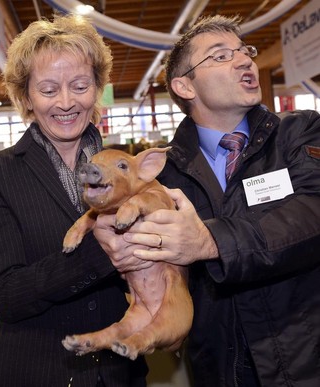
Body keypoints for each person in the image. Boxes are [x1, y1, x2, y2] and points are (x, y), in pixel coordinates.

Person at [93, 15, 320, 387]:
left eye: (244, 51)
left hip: (305, 357)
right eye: (220, 56)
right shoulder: (161, 175)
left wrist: (210, 241)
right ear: (185, 86)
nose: (245, 60)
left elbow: (313, 213)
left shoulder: (299, 133)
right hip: (218, 365)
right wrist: (107, 234)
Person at [0, 14, 148, 387]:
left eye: (80, 85)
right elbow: (7, 296)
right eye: (49, 90)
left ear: (97, 88)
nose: (66, 102)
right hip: (37, 371)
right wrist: (102, 249)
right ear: (26, 97)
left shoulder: (131, 167)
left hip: (118, 374)